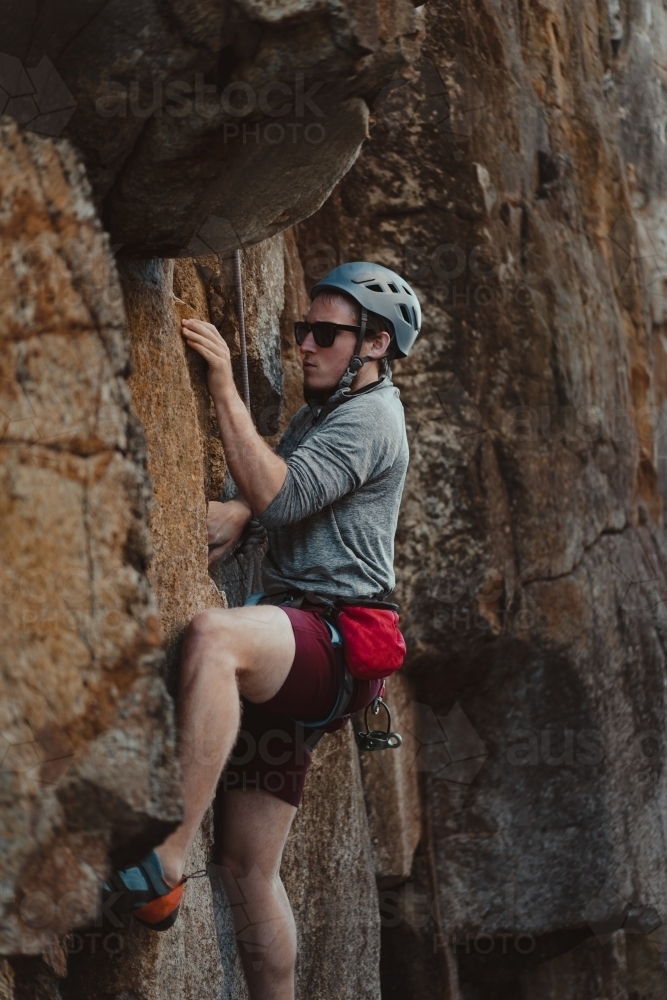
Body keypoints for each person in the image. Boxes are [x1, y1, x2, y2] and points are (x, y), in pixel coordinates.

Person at [103, 263, 420, 1000]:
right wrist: (245, 512)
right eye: (301, 329)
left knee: (215, 639)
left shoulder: (371, 417)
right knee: (249, 869)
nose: (304, 345)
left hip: (331, 638)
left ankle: (167, 860)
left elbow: (281, 492)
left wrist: (220, 382)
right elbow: (291, 485)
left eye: (324, 334)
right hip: (307, 651)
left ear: (374, 344)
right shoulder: (326, 411)